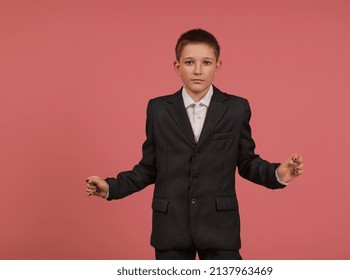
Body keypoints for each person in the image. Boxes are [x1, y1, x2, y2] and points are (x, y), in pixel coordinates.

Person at [85, 28, 304, 260]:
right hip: (170, 227)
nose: (198, 70)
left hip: (220, 227)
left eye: (206, 62)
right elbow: (149, 168)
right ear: (177, 67)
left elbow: (247, 161)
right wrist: (111, 188)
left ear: (218, 66)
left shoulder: (236, 108)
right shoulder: (158, 109)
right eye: (189, 62)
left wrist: (277, 173)